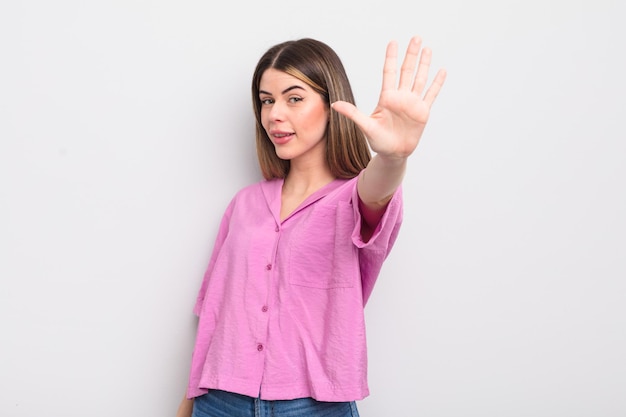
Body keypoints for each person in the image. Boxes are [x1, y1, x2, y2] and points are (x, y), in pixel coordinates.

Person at [176, 35, 446, 417]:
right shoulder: (244, 204)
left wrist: (392, 157)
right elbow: (214, 318)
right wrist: (188, 404)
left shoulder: (354, 197)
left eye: (294, 98)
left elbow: (378, 189)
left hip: (314, 407)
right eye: (266, 101)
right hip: (219, 400)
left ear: (331, 103)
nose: (274, 115)